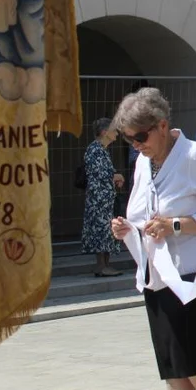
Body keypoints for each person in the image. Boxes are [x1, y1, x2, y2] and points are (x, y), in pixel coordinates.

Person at [109, 88, 196, 390]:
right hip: (157, 276)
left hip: (193, 275)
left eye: (140, 136)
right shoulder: (143, 163)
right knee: (172, 369)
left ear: (162, 125)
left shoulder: (195, 156)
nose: (136, 145)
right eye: (130, 140)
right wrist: (127, 228)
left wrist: (174, 225)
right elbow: (141, 213)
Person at [82, 117, 124, 277]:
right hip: (99, 200)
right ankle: (101, 265)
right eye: (114, 130)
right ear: (105, 132)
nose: (117, 133)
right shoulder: (95, 149)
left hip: (105, 198)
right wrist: (116, 176)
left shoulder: (101, 149)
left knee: (106, 229)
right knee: (101, 229)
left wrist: (115, 178)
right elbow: (100, 173)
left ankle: (105, 264)